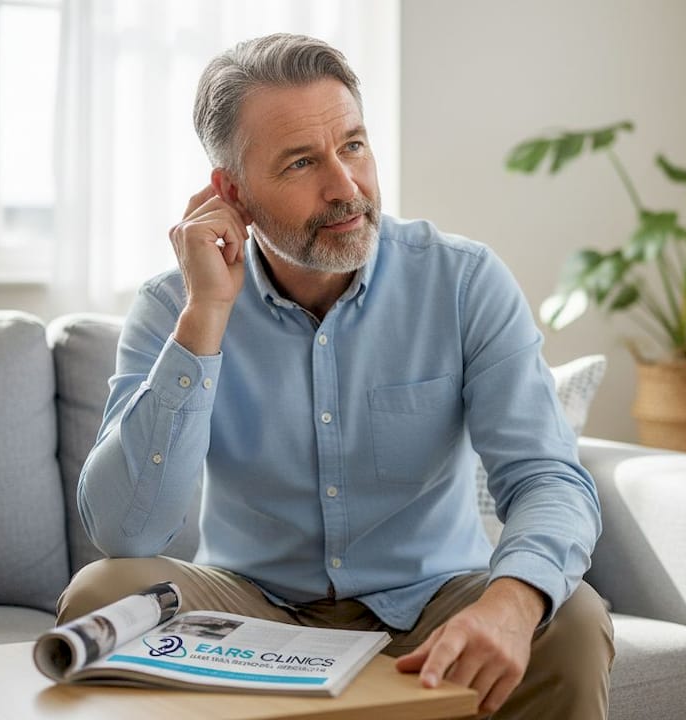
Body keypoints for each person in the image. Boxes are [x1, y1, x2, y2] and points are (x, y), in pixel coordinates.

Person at [58, 33, 613, 718]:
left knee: (572, 619)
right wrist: (205, 316)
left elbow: (548, 476)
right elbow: (126, 533)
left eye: (352, 145)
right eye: (301, 163)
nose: (346, 188)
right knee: (101, 597)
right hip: (253, 610)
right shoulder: (174, 304)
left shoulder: (462, 281)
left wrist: (510, 604)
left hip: (432, 605)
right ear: (233, 192)